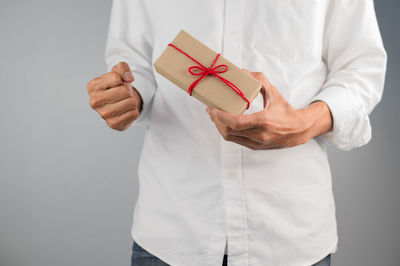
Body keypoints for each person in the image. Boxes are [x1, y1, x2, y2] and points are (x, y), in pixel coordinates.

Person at [86, 1, 387, 265]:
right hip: (172, 231)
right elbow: (135, 59)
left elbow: (361, 67)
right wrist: (128, 94)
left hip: (288, 235)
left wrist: (305, 122)